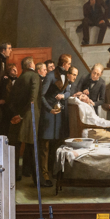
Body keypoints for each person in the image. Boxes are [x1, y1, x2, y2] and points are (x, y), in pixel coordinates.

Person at [67, 94, 110, 173]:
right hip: (93, 132)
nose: (85, 96)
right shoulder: (82, 105)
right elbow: (97, 121)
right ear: (79, 100)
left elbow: (97, 120)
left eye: (84, 95)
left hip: (95, 130)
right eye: (81, 96)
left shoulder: (88, 105)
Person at [38, 54, 72, 187]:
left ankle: (54, 172)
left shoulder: (66, 76)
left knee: (56, 145)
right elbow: (41, 96)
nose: (69, 66)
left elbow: (69, 92)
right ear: (64, 64)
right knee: (45, 147)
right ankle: (44, 176)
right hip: (48, 116)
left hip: (59, 116)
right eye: (69, 64)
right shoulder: (50, 76)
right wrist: (49, 109)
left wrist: (63, 95)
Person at [7, 57, 41, 182]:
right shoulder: (34, 76)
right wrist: (21, 115)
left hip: (17, 116)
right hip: (28, 116)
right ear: (32, 64)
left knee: (16, 147)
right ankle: (36, 179)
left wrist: (16, 114)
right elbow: (32, 100)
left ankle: (15, 175)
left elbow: (11, 100)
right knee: (32, 147)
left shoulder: (20, 78)